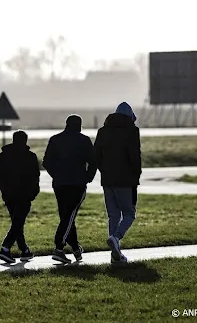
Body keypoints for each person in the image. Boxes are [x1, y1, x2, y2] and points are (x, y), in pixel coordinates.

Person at [42, 114, 96, 264]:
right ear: (79, 125)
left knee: (66, 216)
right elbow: (93, 161)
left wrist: (56, 175)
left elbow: (46, 162)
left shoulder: (55, 139)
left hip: (59, 184)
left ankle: (76, 249)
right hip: (77, 184)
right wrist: (87, 177)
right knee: (69, 216)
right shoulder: (84, 141)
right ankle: (59, 248)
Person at [94, 101, 142, 263]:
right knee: (129, 214)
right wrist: (136, 174)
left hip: (107, 179)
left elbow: (96, 156)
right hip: (126, 179)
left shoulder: (103, 131)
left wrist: (103, 171)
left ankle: (115, 254)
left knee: (113, 215)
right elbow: (135, 156)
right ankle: (116, 237)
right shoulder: (132, 131)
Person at [0, 130, 41, 263]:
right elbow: (35, 176)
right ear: (25, 140)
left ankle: (24, 250)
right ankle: (5, 248)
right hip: (24, 194)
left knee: (17, 222)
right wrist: (34, 192)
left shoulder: (3, 155)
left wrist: (2, 188)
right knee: (18, 222)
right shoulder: (30, 156)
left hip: (8, 194)